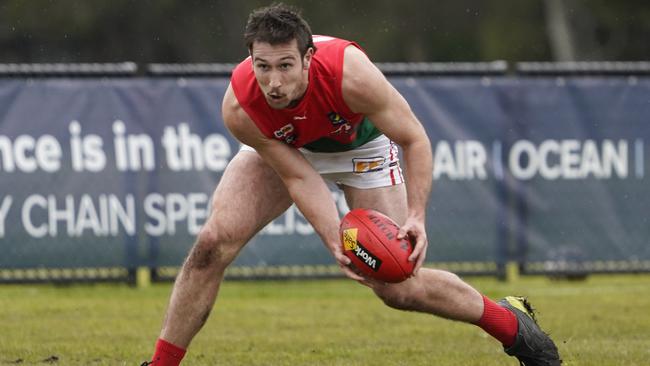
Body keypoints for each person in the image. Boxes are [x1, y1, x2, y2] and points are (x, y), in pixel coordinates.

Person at [144, 3, 561, 366]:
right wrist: (333, 238)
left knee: (398, 286)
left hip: (362, 149)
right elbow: (296, 174)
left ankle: (511, 323)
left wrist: (417, 216)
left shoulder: (350, 73)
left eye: (285, 66)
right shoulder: (240, 106)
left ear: (308, 58)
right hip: (291, 148)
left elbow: (414, 138)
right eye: (263, 66)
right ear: (250, 59)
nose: (273, 82)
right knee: (213, 242)